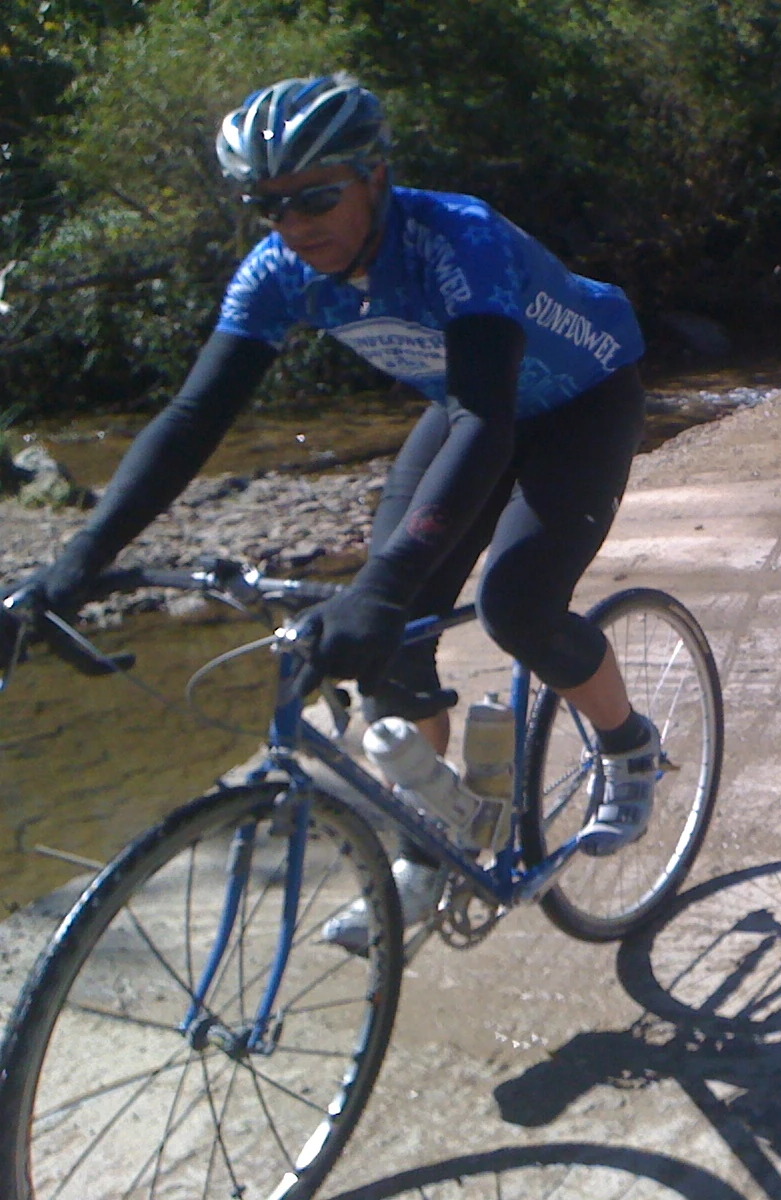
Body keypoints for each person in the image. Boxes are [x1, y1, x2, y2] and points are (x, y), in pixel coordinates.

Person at [0, 74, 662, 947]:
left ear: (375, 175)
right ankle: (430, 849)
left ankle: (628, 744)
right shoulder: (277, 273)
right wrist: (81, 558)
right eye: (267, 205)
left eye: (315, 197)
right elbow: (194, 420)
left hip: (578, 403)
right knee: (387, 639)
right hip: (468, 405)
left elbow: (486, 421)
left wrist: (386, 582)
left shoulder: (456, 239)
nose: (293, 223)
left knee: (516, 607)